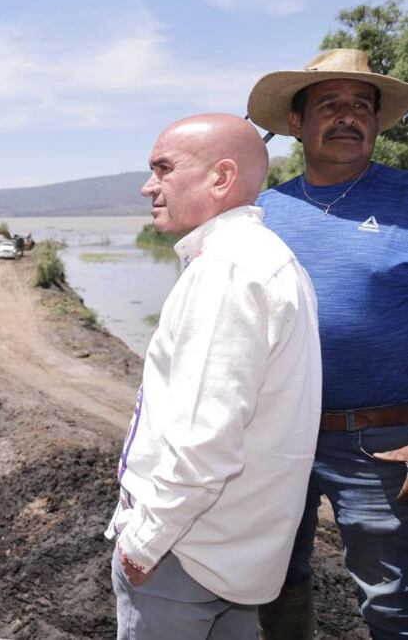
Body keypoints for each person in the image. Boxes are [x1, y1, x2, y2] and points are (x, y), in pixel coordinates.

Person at [105, 113, 322, 639]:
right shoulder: (267, 259)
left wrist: (144, 543)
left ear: (221, 178)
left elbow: (205, 440)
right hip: (234, 559)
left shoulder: (227, 270)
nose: (147, 186)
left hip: (185, 558)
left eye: (163, 168)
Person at [248, 49, 408, 639]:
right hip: (274, 438)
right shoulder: (262, 213)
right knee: (271, 579)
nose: (348, 116)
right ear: (296, 124)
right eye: (330, 104)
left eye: (360, 105)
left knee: (392, 598)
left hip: (383, 442)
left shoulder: (406, 201)